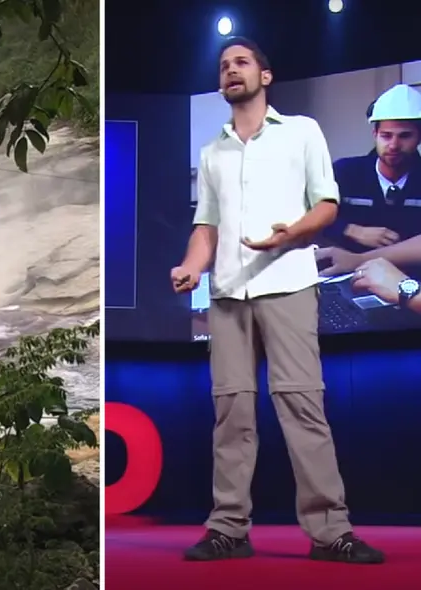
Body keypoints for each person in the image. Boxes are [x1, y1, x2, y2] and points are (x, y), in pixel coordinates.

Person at [170, 36, 384, 565]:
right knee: (232, 415)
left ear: (265, 76)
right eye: (223, 66)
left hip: (287, 284)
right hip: (227, 296)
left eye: (241, 63)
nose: (230, 71)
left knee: (302, 406)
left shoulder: (302, 133)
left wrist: (289, 235)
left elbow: (327, 206)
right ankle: (228, 529)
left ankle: (331, 531)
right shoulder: (213, 150)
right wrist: (191, 265)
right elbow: (207, 225)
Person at [319, 84, 421, 269]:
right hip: (349, 277)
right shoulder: (345, 172)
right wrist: (351, 230)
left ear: (419, 137)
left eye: (405, 136)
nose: (393, 145)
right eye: (386, 136)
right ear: (375, 134)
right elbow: (312, 215)